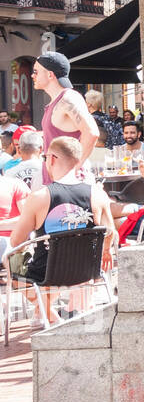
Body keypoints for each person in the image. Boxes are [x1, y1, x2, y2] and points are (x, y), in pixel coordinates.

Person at [8, 136, 117, 325]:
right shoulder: (98, 194)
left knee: (12, 264)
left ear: (51, 159)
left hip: (46, 272)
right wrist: (106, 250)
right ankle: (47, 313)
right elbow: (111, 232)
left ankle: (49, 314)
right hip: (87, 270)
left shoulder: (39, 197)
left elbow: (16, 241)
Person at [33, 52, 97, 179]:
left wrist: (74, 169)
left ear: (50, 74)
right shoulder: (59, 100)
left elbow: (92, 133)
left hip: (67, 183)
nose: (32, 75)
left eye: (36, 72)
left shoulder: (68, 98)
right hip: (56, 180)